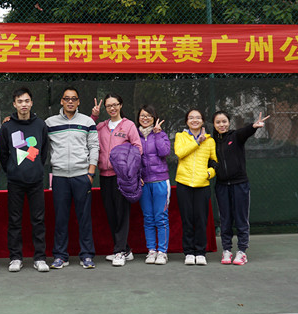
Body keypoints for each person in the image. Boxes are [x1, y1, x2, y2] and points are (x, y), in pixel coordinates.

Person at [45, 87, 99, 270]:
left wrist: (90, 173)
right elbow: (34, 134)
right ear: (61, 101)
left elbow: (94, 147)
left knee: (84, 218)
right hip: (59, 177)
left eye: (73, 99)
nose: (70, 101)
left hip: (82, 176)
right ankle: (60, 256)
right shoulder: (50, 123)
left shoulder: (87, 122)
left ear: (78, 102)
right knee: (60, 219)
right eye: (66, 98)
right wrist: (10, 120)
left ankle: (87, 255)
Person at [0, 87, 50, 272]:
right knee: (14, 221)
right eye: (20, 101)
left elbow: (44, 152)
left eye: (27, 101)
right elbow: (3, 153)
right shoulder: (7, 126)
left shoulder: (40, 125)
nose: (24, 104)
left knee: (38, 220)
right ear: (14, 104)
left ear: (32, 103)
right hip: (15, 182)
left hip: (36, 181)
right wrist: (13, 170)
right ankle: (15, 258)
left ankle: (40, 258)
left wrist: (35, 169)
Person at [211, 110, 269, 266]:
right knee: (225, 219)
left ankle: (242, 251)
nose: (221, 125)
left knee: (241, 218)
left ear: (229, 122)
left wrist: (254, 126)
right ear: (214, 125)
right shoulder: (211, 142)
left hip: (240, 184)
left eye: (224, 121)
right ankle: (226, 250)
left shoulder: (235, 136)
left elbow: (245, 132)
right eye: (218, 122)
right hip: (221, 186)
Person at [92, 93, 142, 267]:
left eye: (115, 104)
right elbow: (86, 131)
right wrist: (94, 116)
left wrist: (130, 170)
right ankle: (125, 250)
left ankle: (119, 251)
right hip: (104, 176)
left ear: (120, 105)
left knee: (122, 213)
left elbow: (137, 148)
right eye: (108, 106)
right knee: (111, 214)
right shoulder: (101, 127)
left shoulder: (129, 125)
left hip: (122, 177)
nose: (112, 108)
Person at [173, 108, 217, 266]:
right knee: (187, 219)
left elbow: (214, 162)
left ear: (203, 121)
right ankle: (189, 252)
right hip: (183, 183)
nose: (194, 120)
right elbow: (180, 153)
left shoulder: (210, 141)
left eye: (198, 118)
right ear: (187, 121)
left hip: (202, 185)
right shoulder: (180, 136)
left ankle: (200, 252)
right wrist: (197, 142)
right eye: (191, 118)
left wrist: (209, 174)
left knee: (201, 219)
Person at [137, 105, 171, 265]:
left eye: (149, 116)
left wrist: (157, 134)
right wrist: (137, 176)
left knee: (161, 217)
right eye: (142, 115)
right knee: (148, 218)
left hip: (160, 181)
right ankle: (151, 250)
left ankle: (162, 252)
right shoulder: (134, 135)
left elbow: (164, 152)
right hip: (143, 183)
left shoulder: (161, 134)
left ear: (154, 118)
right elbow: (132, 159)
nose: (145, 118)